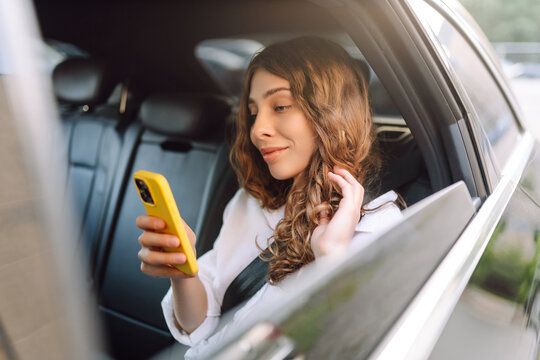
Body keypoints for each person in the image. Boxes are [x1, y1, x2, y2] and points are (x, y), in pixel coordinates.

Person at [135, 36, 403, 358]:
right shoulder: (250, 202)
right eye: (253, 111)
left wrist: (332, 257)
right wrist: (184, 274)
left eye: (280, 106)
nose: (257, 129)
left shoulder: (380, 227)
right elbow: (199, 328)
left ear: (333, 114)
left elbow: (348, 346)